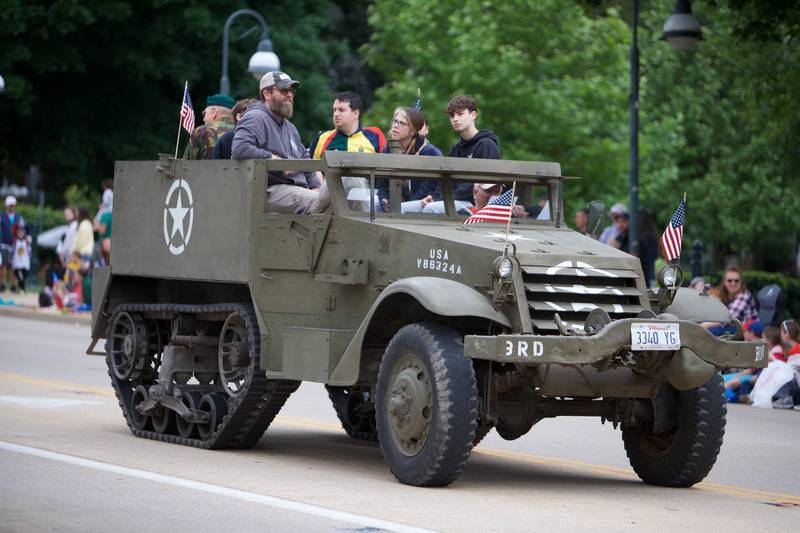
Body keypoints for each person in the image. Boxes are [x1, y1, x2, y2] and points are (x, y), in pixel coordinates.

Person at [232, 71, 325, 214]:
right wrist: (271, 158)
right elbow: (240, 148)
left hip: (295, 190)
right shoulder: (255, 117)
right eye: (283, 90)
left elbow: (305, 159)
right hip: (268, 190)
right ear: (267, 94)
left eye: (291, 90)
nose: (289, 94)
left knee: (343, 196)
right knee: (323, 203)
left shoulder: (289, 127)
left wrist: (316, 186)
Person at [421, 95, 500, 215]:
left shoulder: (487, 145)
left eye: (460, 114)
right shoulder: (455, 149)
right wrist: (433, 197)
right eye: (452, 116)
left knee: (430, 209)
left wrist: (440, 200)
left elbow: (484, 185)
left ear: (473, 115)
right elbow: (445, 181)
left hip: (474, 203)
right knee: (403, 209)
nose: (455, 119)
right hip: (449, 200)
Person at [308, 92, 387, 204]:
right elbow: (310, 168)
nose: (336, 114)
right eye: (334, 110)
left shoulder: (375, 135)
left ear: (355, 113)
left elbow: (386, 170)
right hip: (330, 198)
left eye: (341, 110)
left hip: (366, 197)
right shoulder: (322, 138)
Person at [378, 107, 442, 213]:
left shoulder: (429, 152)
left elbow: (426, 190)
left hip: (422, 202)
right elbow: (382, 184)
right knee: (372, 202)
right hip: (395, 201)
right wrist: (384, 199)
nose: (395, 125)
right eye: (395, 121)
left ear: (413, 131)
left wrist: (401, 206)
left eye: (402, 123)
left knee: (398, 210)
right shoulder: (388, 148)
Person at [184, 93, 235, 159]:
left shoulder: (202, 131)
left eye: (204, 113)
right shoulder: (243, 132)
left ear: (214, 112)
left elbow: (186, 165)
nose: (203, 118)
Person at [723, 319, 763, 402]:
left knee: (728, 383)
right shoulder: (754, 345)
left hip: (756, 377)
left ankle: (730, 397)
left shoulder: (759, 347)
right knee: (723, 378)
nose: (743, 333)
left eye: (745, 331)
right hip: (752, 374)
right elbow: (751, 370)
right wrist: (738, 375)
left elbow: (758, 373)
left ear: (751, 332)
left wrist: (738, 377)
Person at [1, 195, 25, 292]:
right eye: (9, 205)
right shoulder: (1, 216)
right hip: (3, 244)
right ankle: (1, 284)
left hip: (15, 245)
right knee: (2, 265)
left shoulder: (19, 217)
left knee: (13, 265)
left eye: (13, 205)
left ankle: (14, 285)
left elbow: (23, 229)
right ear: (6, 205)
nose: (11, 207)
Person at [11, 224, 31, 292]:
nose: (21, 233)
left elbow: (29, 251)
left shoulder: (26, 241)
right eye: (19, 231)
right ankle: (22, 289)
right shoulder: (15, 241)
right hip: (17, 263)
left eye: (22, 232)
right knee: (20, 277)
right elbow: (12, 251)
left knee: (24, 277)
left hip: (25, 263)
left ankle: (18, 288)